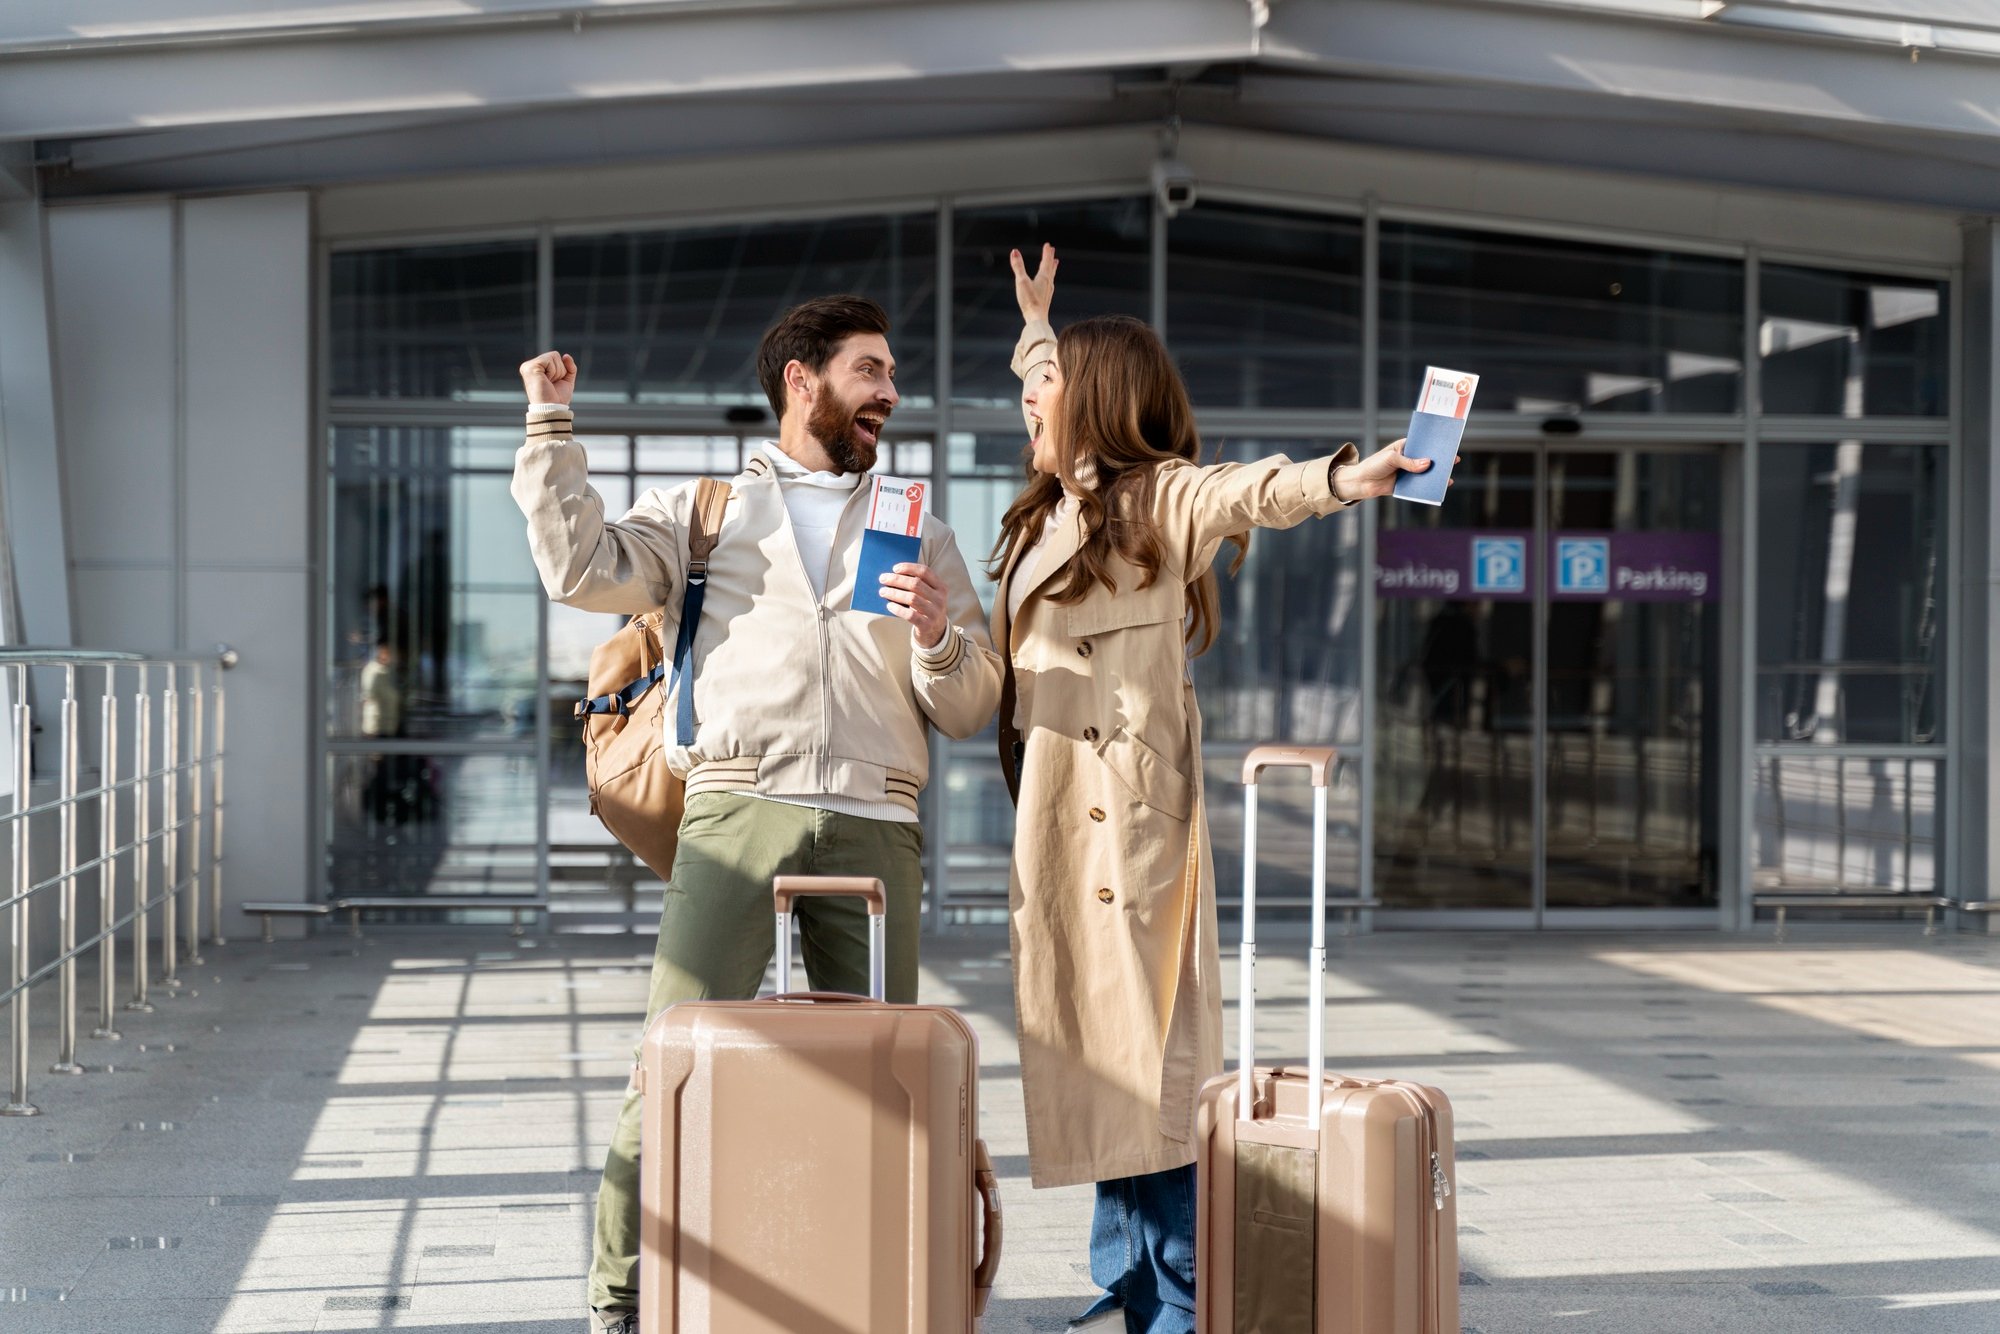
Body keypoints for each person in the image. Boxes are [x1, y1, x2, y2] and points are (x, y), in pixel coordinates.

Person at [510, 294, 1004, 1334]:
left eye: (889, 372)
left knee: (882, 1087)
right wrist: (551, 428)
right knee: (672, 1058)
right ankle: (620, 1299)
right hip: (737, 807)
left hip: (876, 819)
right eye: (869, 370)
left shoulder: (915, 521)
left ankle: (867, 1288)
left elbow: (968, 704)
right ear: (801, 380)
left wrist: (934, 639)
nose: (889, 391)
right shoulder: (709, 511)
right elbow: (578, 567)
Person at [991, 245, 1444, 1334]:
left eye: (1041, 390)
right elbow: (1051, 381)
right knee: (1097, 1058)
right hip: (1055, 823)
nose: (1026, 406)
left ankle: (1184, 1289)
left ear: (1094, 404)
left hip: (1128, 834)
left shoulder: (1157, 503)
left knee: (1145, 1066)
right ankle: (1130, 1277)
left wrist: (1345, 476)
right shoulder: (1053, 511)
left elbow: (1252, 490)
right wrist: (1039, 327)